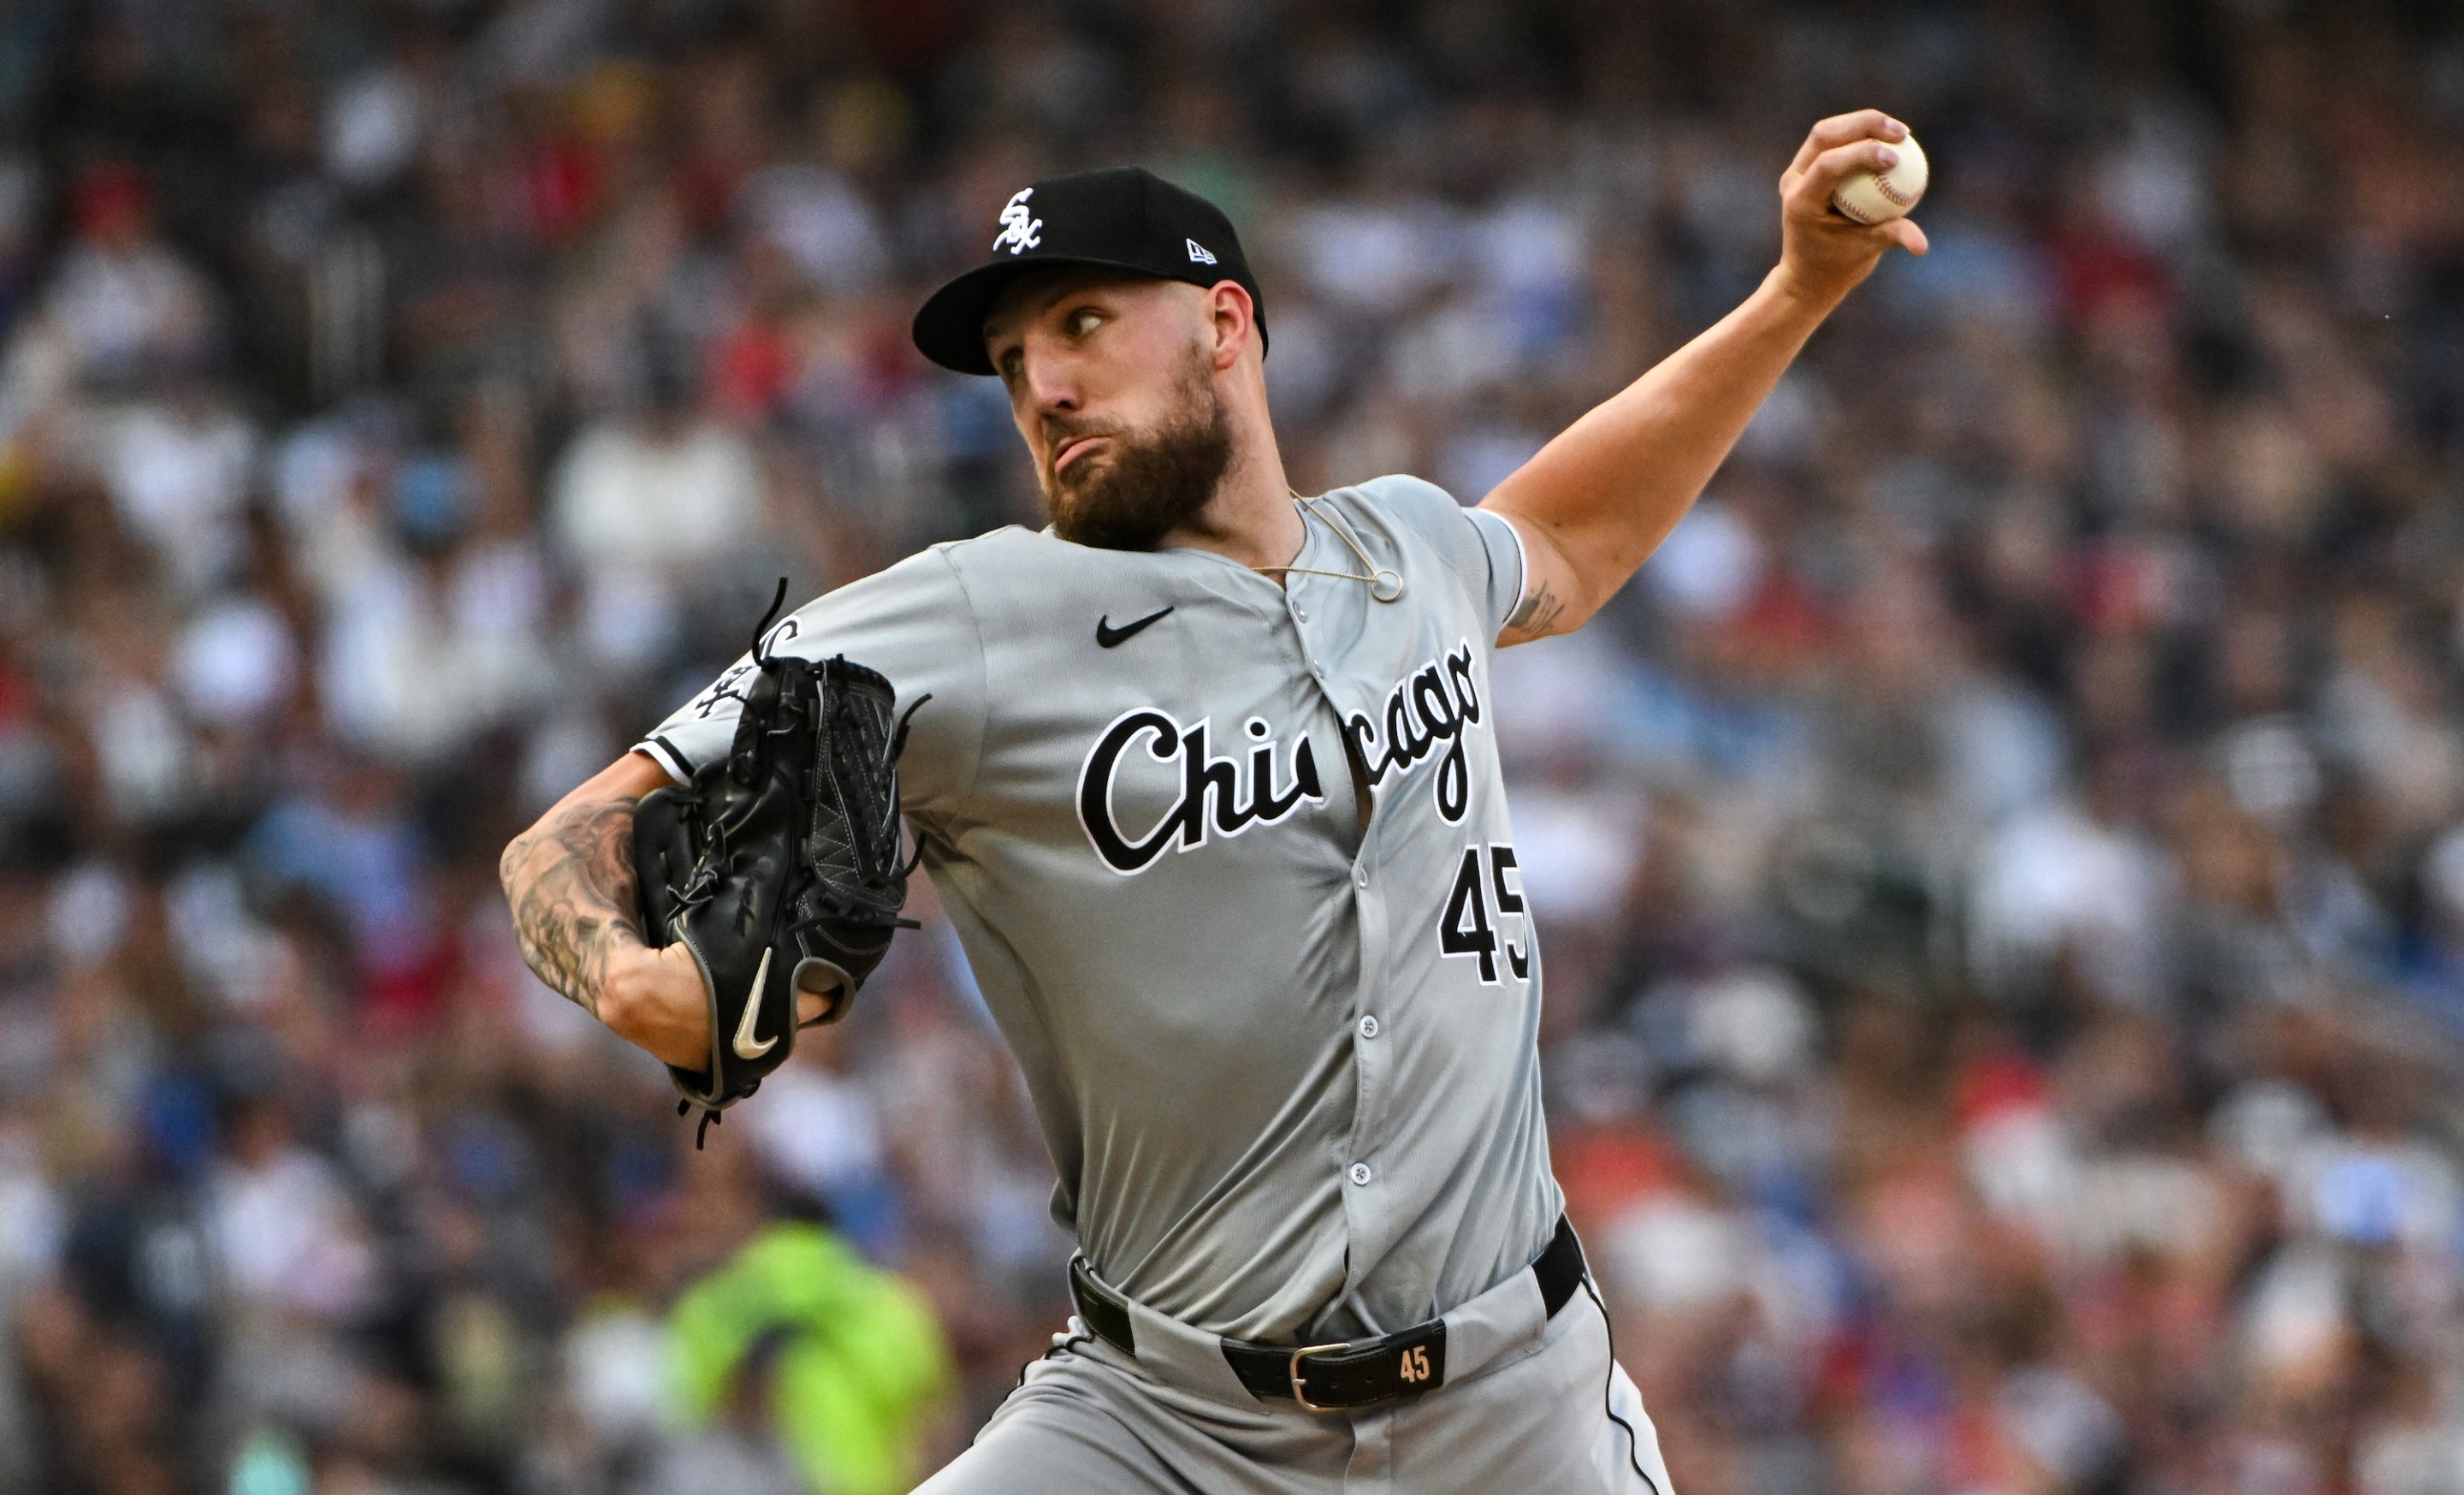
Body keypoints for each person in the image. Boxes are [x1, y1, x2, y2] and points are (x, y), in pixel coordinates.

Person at [499, 112, 1926, 1492]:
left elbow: (1568, 531)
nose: (1041, 386)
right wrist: (633, 980)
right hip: (1164, 1425)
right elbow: (568, 833)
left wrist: (1798, 288)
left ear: (1225, 325)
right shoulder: (976, 614)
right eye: (1009, 362)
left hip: (1516, 1411)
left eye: (1082, 325)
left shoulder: (1409, 551)